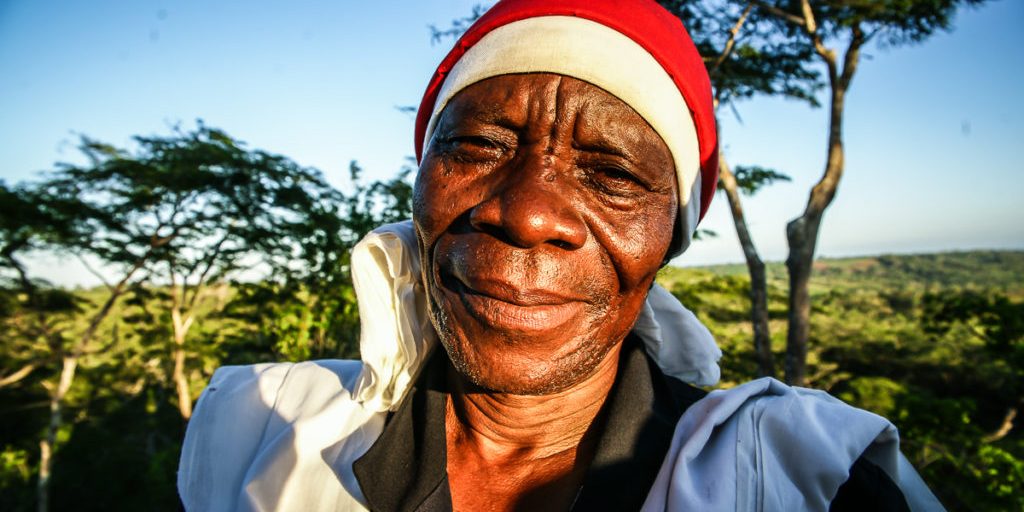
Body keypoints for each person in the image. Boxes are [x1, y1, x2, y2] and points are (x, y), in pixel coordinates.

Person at [177, 0, 943, 510]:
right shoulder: (262, 430)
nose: (529, 212)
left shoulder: (801, 479)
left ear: (668, 238)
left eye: (612, 173)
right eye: (478, 145)